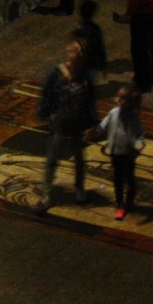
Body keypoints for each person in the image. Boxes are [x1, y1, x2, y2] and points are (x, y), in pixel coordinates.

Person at [35, 38, 97, 213]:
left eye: (80, 52)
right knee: (52, 159)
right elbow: (46, 96)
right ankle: (45, 195)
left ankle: (79, 188)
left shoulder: (86, 76)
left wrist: (92, 124)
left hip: (77, 123)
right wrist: (49, 115)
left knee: (79, 158)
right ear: (69, 51)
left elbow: (90, 101)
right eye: (74, 50)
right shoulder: (56, 74)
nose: (77, 55)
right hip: (60, 124)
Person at [96, 84, 146, 221]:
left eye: (121, 98)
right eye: (118, 97)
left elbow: (140, 134)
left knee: (129, 179)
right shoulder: (113, 112)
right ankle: (120, 204)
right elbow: (102, 126)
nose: (117, 100)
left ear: (129, 102)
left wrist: (138, 145)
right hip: (115, 153)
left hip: (128, 154)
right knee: (118, 179)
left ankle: (129, 199)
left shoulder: (133, 117)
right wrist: (93, 130)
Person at [73, 0, 107, 78]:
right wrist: (102, 66)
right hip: (90, 62)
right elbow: (99, 48)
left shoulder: (78, 28)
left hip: (80, 62)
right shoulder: (95, 29)